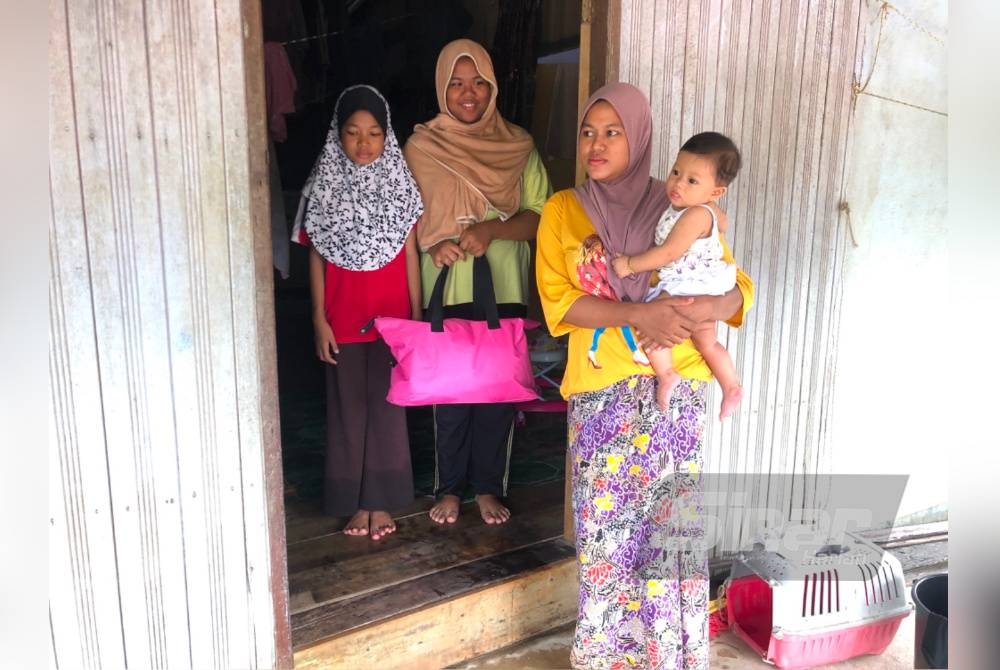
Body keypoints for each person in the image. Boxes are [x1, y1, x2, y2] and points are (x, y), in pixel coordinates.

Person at [535, 83, 754, 669]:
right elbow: (560, 304)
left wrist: (704, 310)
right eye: (588, 132)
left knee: (670, 540)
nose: (598, 143)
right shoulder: (563, 210)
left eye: (614, 131)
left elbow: (733, 285)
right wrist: (640, 313)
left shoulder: (678, 200)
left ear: (640, 136)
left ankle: (669, 658)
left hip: (675, 393)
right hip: (604, 391)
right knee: (607, 537)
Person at [404, 38, 552, 526]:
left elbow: (539, 218)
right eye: (456, 84)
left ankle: (488, 487)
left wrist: (493, 230)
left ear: (492, 86)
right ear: (441, 88)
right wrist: (431, 244)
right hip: (444, 289)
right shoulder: (421, 147)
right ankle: (449, 488)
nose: (469, 94)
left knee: (496, 396)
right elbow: (403, 217)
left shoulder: (519, 146)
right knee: (450, 398)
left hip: (503, 287)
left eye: (478, 83)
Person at [291, 85, 423, 541]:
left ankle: (380, 501)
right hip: (341, 317)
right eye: (352, 132)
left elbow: (411, 255)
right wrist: (317, 318)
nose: (364, 143)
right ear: (336, 135)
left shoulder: (401, 186)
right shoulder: (321, 187)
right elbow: (314, 255)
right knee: (347, 410)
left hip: (393, 319)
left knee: (387, 409)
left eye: (373, 133)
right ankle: (353, 500)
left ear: (388, 136)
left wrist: (418, 319)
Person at [610, 132, 744, 419]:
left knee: (653, 318)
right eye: (676, 172)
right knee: (706, 341)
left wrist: (631, 265)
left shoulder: (694, 215)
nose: (678, 183)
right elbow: (724, 221)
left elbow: (669, 253)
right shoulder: (703, 208)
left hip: (687, 285)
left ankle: (667, 373)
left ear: (715, 192)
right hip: (704, 283)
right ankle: (731, 385)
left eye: (692, 181)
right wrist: (713, 209)